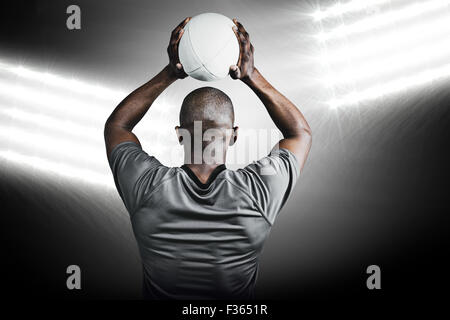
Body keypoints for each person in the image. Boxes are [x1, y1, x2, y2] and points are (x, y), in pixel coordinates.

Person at [104, 17, 312, 299]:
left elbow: (117, 126)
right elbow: (299, 132)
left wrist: (170, 73)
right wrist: (252, 75)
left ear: (180, 134)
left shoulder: (147, 186)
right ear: (234, 135)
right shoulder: (259, 191)